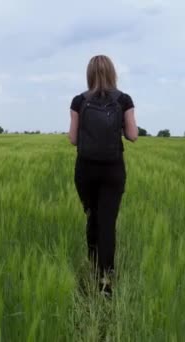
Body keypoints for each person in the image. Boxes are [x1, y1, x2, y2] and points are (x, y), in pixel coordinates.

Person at [68, 55, 138, 294]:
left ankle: (93, 267)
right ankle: (106, 282)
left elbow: (73, 139)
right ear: (112, 73)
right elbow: (133, 135)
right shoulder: (124, 99)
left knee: (92, 216)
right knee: (107, 222)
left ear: (89, 74)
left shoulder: (79, 101)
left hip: (85, 169)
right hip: (113, 169)